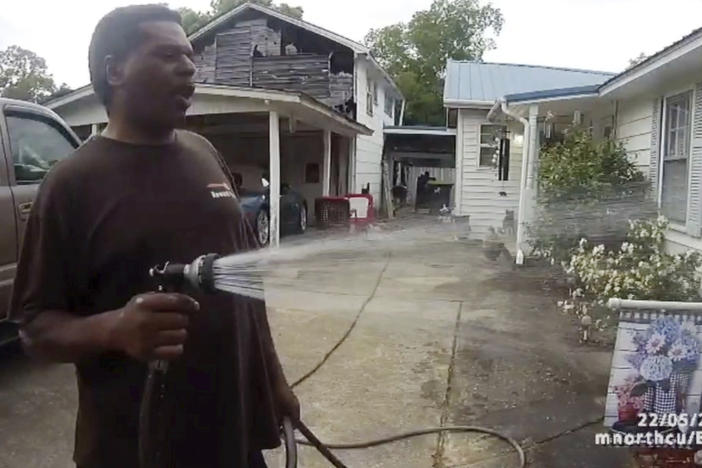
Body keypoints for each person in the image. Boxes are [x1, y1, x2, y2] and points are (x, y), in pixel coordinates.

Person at [10, 5, 298, 468]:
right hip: (134, 449)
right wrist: (114, 328)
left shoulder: (204, 153)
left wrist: (275, 383)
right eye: (167, 55)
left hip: (231, 440)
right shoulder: (71, 184)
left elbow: (247, 288)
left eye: (189, 56)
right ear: (115, 70)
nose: (188, 68)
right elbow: (34, 328)